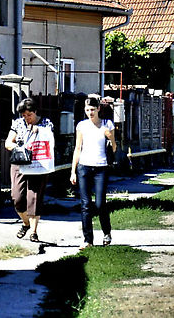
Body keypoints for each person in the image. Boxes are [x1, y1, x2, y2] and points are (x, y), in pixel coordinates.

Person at [70, 94, 117, 248]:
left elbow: (114, 148)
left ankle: (106, 232)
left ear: (98, 109)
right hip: (84, 166)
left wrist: (110, 138)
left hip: (101, 167)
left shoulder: (107, 124)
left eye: (92, 109)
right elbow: (77, 148)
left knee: (99, 203)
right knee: (85, 204)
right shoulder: (81, 126)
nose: (90, 112)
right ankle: (88, 240)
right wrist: (73, 171)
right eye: (87, 110)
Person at [5, 98, 53, 242]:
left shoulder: (46, 123)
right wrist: (20, 148)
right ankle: (25, 223)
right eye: (24, 115)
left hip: (38, 165)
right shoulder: (18, 123)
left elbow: (50, 141)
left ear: (35, 112)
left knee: (34, 198)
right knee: (17, 198)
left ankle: (34, 231)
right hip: (20, 164)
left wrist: (41, 131)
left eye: (29, 115)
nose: (27, 118)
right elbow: (8, 142)